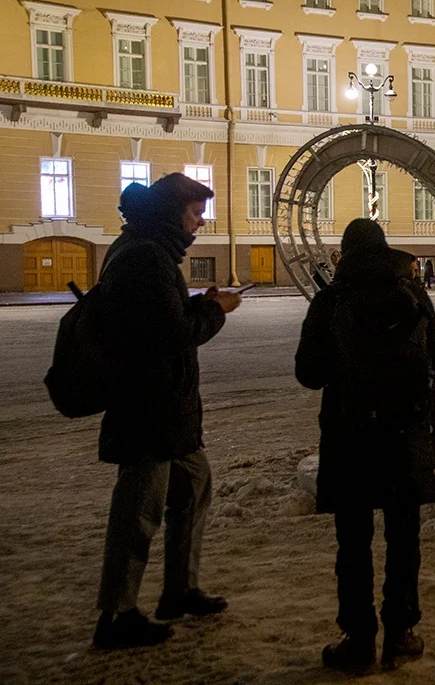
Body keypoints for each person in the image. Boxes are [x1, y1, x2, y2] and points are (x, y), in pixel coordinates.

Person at [93, 173, 240, 650]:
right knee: (139, 511)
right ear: (173, 211)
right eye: (195, 212)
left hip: (168, 410)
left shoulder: (148, 251)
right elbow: (168, 335)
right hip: (148, 409)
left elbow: (162, 318)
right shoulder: (145, 257)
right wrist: (216, 312)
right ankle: (116, 614)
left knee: (194, 486)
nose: (200, 222)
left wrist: (200, 303)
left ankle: (179, 589)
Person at [295, 218, 435, 672]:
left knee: (353, 544)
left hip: (350, 435)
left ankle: (358, 641)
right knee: (404, 539)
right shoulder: (414, 296)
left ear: (345, 252)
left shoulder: (330, 300)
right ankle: (400, 635)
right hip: (404, 435)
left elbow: (308, 372)